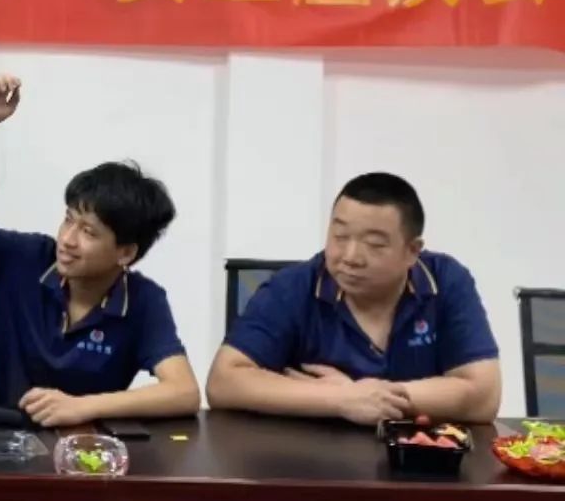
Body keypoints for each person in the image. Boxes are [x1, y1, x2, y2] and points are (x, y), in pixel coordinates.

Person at [0, 74, 200, 427]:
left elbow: (184, 392)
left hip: (85, 449)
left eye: (88, 232)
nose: (68, 239)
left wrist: (83, 406)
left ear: (124, 253)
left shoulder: (142, 301)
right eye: (68, 220)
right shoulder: (26, 258)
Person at [206, 172, 501, 425]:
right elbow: (224, 382)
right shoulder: (292, 287)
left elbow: (484, 396)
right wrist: (339, 399)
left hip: (418, 460)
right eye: (340, 237)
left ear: (412, 251)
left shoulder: (446, 280)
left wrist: (369, 397)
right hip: (309, 459)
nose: (350, 257)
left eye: (373, 244)